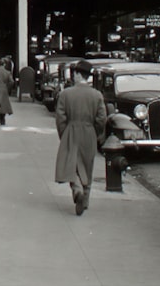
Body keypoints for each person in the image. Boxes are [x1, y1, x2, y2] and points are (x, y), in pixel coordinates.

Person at [54, 59, 107, 217]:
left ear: (77, 74)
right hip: (89, 131)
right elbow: (102, 118)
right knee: (87, 165)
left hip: (71, 130)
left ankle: (76, 189)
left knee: (72, 164)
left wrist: (64, 134)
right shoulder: (97, 95)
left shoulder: (66, 94)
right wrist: (95, 132)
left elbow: (60, 118)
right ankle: (86, 199)